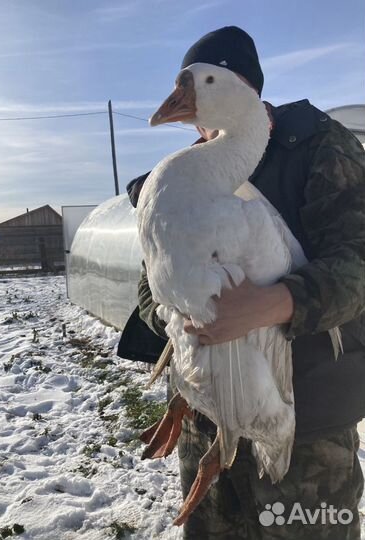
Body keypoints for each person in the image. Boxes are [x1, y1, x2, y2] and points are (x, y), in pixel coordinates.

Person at [117, 26, 365, 539]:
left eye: (203, 83)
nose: (183, 101)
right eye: (180, 87)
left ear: (244, 89)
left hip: (309, 429)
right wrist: (179, 323)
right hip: (206, 416)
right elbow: (150, 280)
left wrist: (275, 303)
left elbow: (359, 261)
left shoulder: (321, 149)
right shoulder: (182, 177)